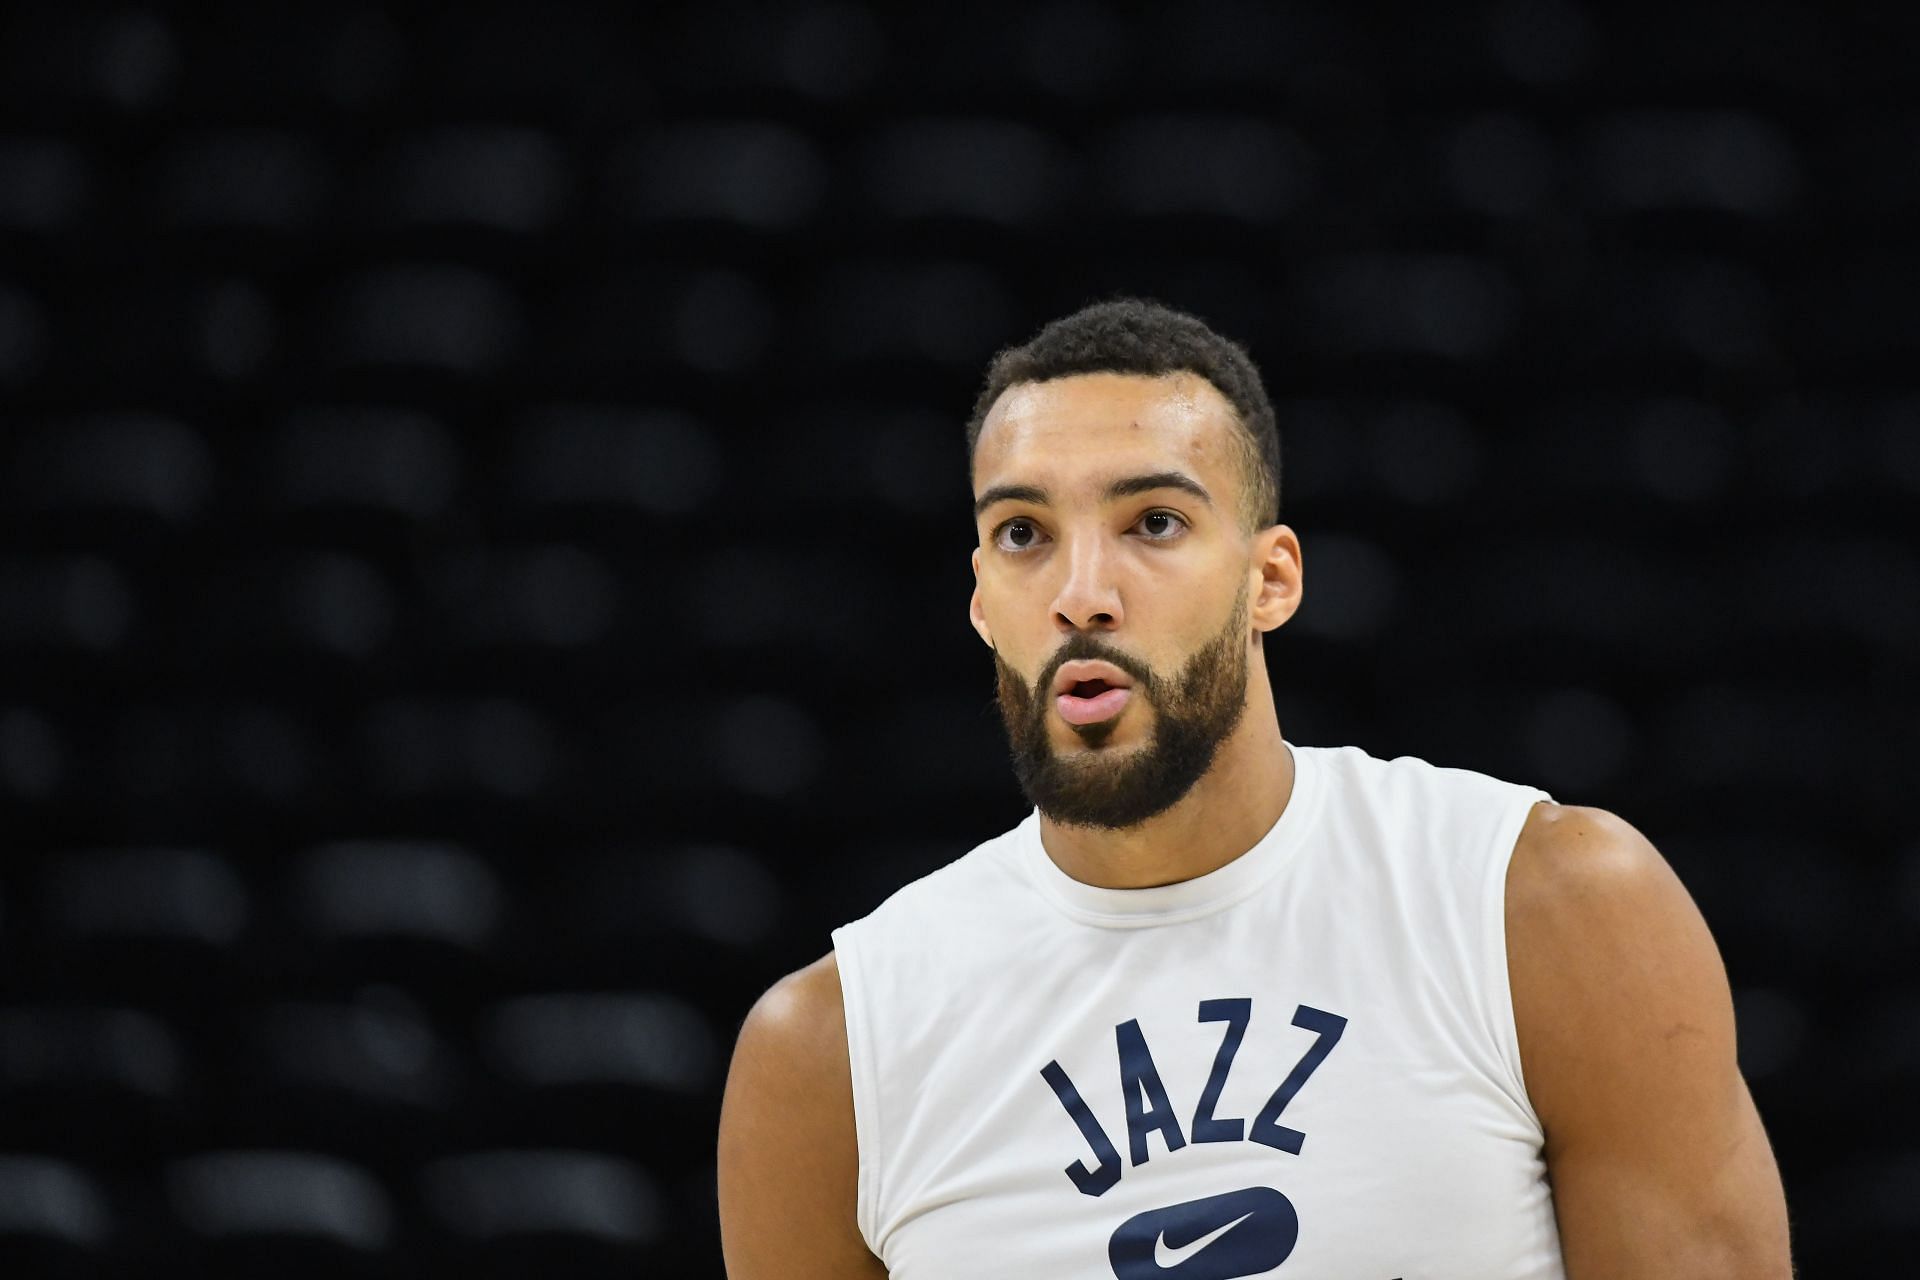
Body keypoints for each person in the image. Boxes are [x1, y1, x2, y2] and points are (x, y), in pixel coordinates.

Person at [716, 298, 1794, 1279]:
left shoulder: (1546, 906)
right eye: (1024, 535)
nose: (1082, 593)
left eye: (1153, 521)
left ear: (1270, 578)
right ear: (983, 604)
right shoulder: (830, 1052)